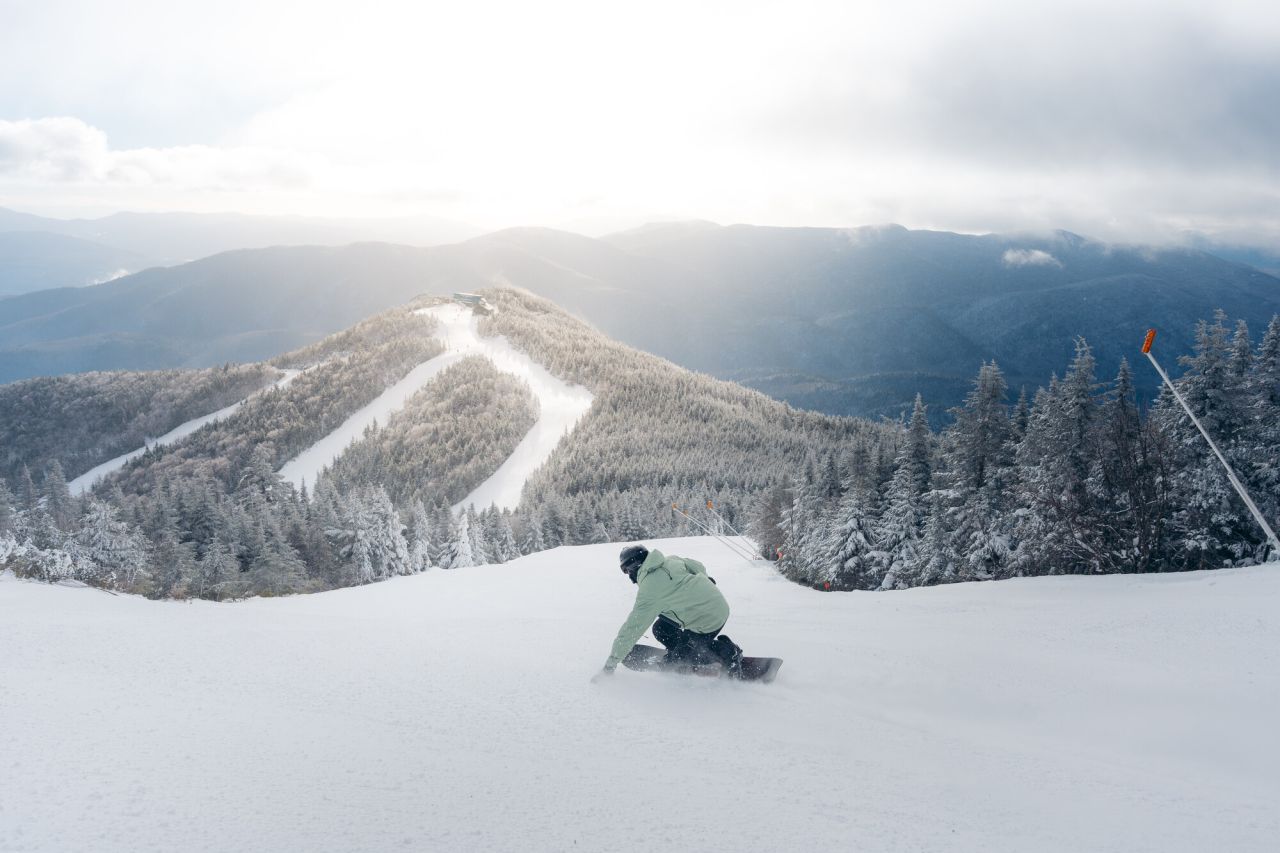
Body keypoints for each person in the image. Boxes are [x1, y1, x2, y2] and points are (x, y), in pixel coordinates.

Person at [593, 544, 743, 681]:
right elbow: (697, 566)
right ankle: (685, 647)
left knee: (676, 663)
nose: (628, 576)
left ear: (633, 567)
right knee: (661, 629)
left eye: (626, 571)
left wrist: (610, 665)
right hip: (716, 604)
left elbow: (633, 627)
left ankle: (728, 653)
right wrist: (705, 582)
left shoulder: (650, 591)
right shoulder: (670, 560)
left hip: (708, 619)